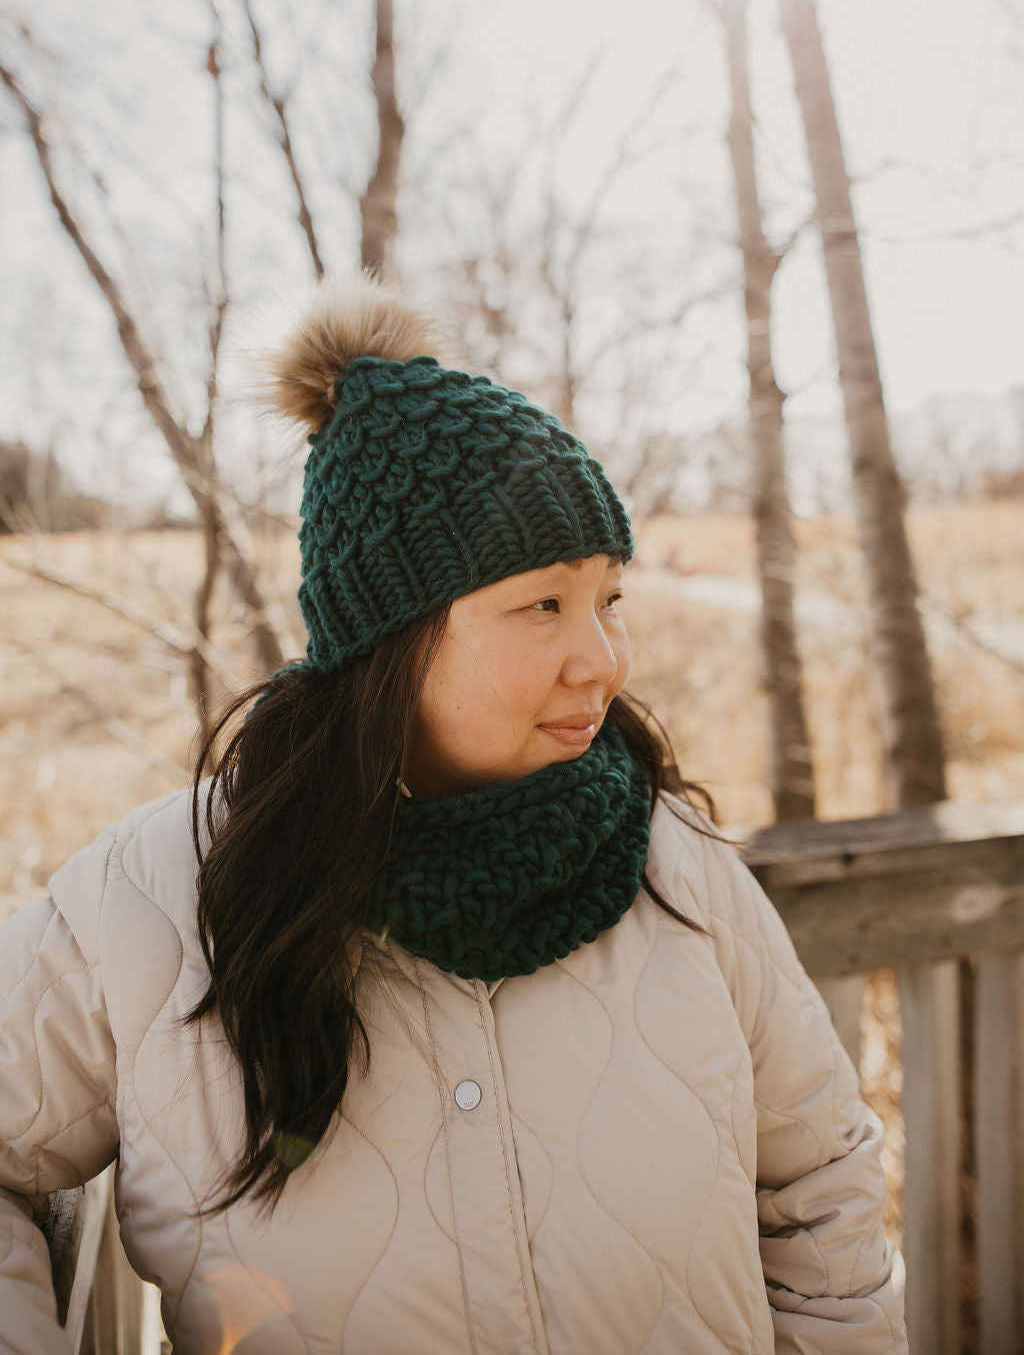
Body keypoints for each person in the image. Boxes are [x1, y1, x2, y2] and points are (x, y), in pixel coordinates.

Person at [0, 277, 907, 1354]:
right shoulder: (148, 897)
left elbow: (823, 1183)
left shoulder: (680, 864)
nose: (604, 658)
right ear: (390, 635)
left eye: (609, 598)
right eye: (543, 605)